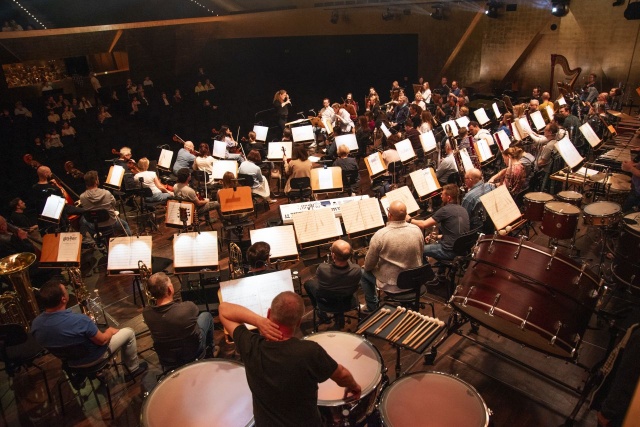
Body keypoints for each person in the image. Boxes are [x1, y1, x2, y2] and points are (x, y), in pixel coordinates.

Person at [218, 291, 361, 427]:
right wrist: (354, 386)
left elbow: (224, 309)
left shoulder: (250, 346)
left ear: (268, 313)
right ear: (298, 322)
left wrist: (258, 321)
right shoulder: (309, 351)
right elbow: (341, 374)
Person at [32, 279, 147, 377]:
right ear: (63, 299)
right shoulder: (80, 320)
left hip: (70, 362)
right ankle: (132, 370)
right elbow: (102, 341)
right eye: (65, 290)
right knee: (128, 332)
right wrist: (109, 331)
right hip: (94, 358)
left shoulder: (36, 324)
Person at [360, 201, 424, 312]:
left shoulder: (380, 235)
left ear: (389, 215)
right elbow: (420, 253)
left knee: (363, 273)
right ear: (406, 214)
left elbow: (369, 265)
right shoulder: (417, 230)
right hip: (416, 281)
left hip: (393, 285)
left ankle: (371, 307)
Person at [143, 272, 217, 362]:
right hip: (193, 353)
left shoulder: (146, 313)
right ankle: (210, 351)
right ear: (170, 289)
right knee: (206, 316)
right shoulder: (188, 308)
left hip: (167, 357)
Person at [410, 184, 470, 269]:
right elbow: (455, 233)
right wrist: (437, 237)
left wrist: (409, 220)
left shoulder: (445, 210)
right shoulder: (463, 209)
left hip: (449, 251)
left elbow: (423, 224)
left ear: (448, 198)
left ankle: (428, 275)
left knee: (418, 251)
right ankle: (440, 275)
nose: (441, 195)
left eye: (443, 194)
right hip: (462, 249)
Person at [304, 240, 362, 326]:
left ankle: (320, 312)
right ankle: (339, 314)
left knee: (308, 284)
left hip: (327, 302)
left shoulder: (322, 268)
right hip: (347, 300)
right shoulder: (357, 269)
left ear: (333, 255)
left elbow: (319, 280)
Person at [79, 171, 132, 236]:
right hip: (111, 224)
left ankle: (96, 240)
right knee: (125, 224)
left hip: (95, 226)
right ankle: (129, 240)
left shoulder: (82, 197)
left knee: (83, 221)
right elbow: (114, 203)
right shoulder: (107, 193)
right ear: (96, 181)